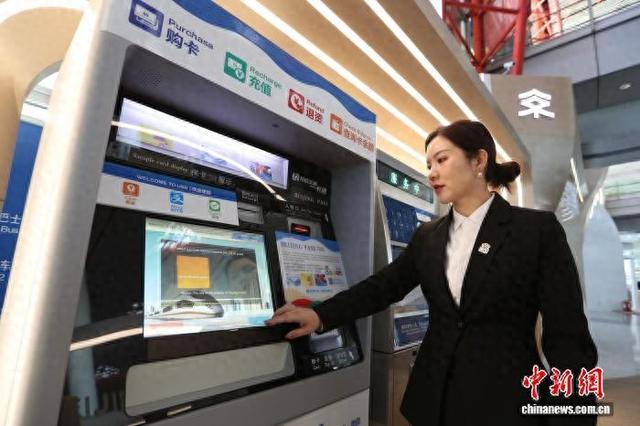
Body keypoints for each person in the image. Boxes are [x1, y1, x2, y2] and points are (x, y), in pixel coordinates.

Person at [266, 120, 598, 426]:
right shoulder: (429, 236)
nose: (432, 173)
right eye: (428, 165)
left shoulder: (534, 231)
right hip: (435, 400)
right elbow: (383, 287)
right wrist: (321, 315)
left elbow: (567, 335)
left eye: (442, 160)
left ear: (478, 160)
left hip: (505, 402)